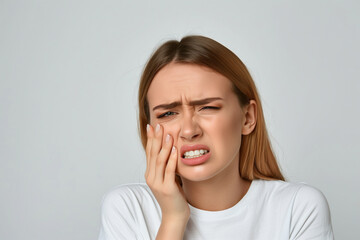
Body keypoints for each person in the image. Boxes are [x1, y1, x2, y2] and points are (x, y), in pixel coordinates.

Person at [98, 35, 334, 240]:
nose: (189, 131)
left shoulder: (298, 208)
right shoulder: (126, 209)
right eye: (168, 113)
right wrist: (173, 218)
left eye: (208, 107)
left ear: (248, 117)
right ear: (149, 128)